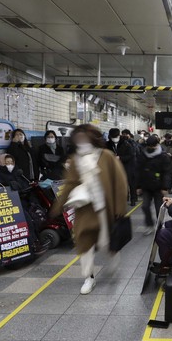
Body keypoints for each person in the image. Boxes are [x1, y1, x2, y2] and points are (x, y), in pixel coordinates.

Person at [51, 125, 128, 295]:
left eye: (84, 137)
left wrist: (120, 207)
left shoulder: (106, 156)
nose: (81, 141)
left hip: (105, 208)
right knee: (84, 242)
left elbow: (120, 181)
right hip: (85, 209)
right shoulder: (76, 159)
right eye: (78, 138)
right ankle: (89, 277)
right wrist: (58, 206)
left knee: (106, 242)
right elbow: (70, 183)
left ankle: (113, 260)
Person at [136, 136, 172, 235]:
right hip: (146, 186)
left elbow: (167, 172)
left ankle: (160, 226)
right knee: (145, 206)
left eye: (153, 146)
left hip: (159, 187)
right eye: (149, 146)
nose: (151, 148)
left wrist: (165, 187)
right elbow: (138, 171)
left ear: (157, 145)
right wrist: (138, 186)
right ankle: (149, 225)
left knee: (159, 208)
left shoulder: (163, 156)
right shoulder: (143, 155)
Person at [120, 129, 140, 205]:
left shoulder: (132, 143)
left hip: (132, 166)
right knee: (130, 184)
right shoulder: (127, 143)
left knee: (131, 184)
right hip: (129, 166)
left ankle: (133, 199)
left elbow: (135, 153)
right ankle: (131, 198)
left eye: (124, 134)